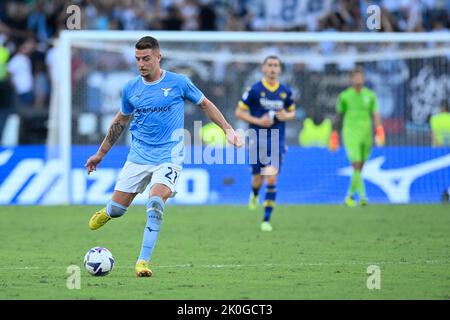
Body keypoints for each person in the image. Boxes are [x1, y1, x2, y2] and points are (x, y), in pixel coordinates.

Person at [85, 36, 243, 277]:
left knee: (156, 203)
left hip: (169, 156)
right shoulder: (131, 89)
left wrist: (228, 129)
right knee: (118, 210)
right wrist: (100, 153)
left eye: (146, 58)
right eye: (137, 59)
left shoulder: (179, 83)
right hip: (138, 157)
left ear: (158, 57)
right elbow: (120, 122)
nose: (141, 63)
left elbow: (205, 104)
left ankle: (142, 262)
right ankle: (107, 212)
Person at [235, 56, 296, 232]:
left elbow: (292, 112)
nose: (272, 68)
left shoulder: (285, 91)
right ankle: (254, 194)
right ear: (263, 68)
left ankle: (266, 219)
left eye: (276, 65)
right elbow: (239, 112)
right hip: (256, 137)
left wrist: (287, 116)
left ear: (280, 69)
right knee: (257, 178)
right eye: (269, 65)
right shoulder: (254, 90)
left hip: (277, 139)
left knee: (271, 176)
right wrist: (258, 121)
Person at [329, 66, 385, 207]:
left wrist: (379, 131)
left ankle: (348, 196)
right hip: (350, 133)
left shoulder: (370, 95)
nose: (358, 79)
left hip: (366, 134)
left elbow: (376, 114)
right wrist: (334, 134)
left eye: (360, 77)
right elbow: (339, 116)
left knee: (360, 167)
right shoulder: (345, 96)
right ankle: (363, 196)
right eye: (355, 77)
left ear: (364, 79)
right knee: (356, 164)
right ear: (351, 79)